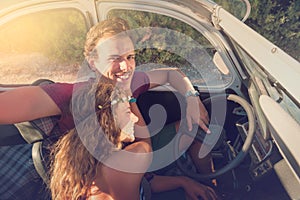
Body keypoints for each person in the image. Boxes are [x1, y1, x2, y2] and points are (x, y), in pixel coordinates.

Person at [0, 17, 216, 198]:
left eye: (130, 57)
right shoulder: (71, 94)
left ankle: (214, 188)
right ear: (92, 62)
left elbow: (172, 73)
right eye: (115, 58)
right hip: (97, 166)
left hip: (129, 158)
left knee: (198, 127)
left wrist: (192, 98)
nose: (126, 67)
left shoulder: (130, 82)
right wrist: (129, 99)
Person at [50, 81, 218, 200]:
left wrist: (184, 182)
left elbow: (146, 182)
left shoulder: (78, 162)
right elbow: (145, 143)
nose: (135, 119)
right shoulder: (122, 164)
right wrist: (129, 96)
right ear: (109, 120)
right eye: (127, 112)